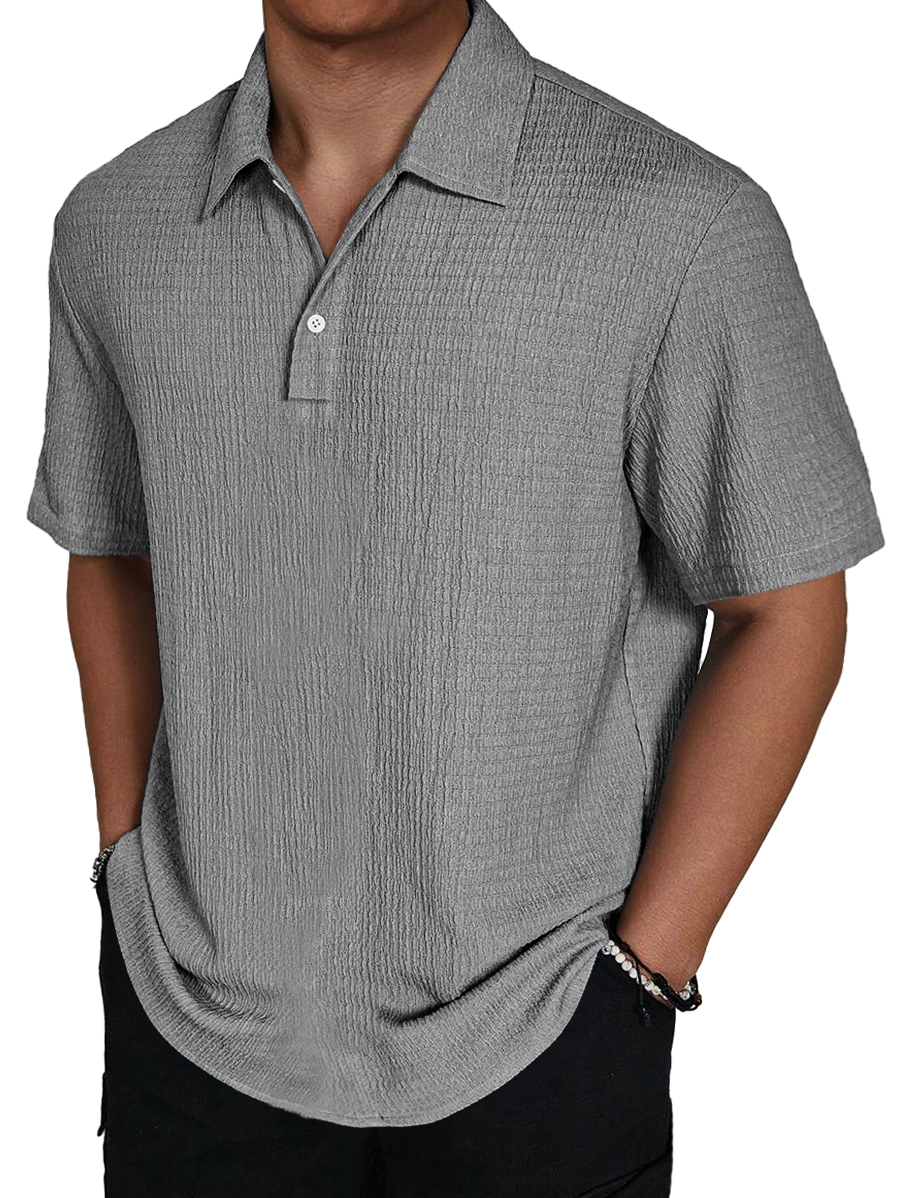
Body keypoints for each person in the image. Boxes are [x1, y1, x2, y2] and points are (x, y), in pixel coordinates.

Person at [26, 0, 885, 1194]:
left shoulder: (678, 220)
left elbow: (784, 606)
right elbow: (115, 552)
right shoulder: (114, 222)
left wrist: (642, 973)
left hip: (539, 1036)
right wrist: (127, 880)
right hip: (189, 1035)